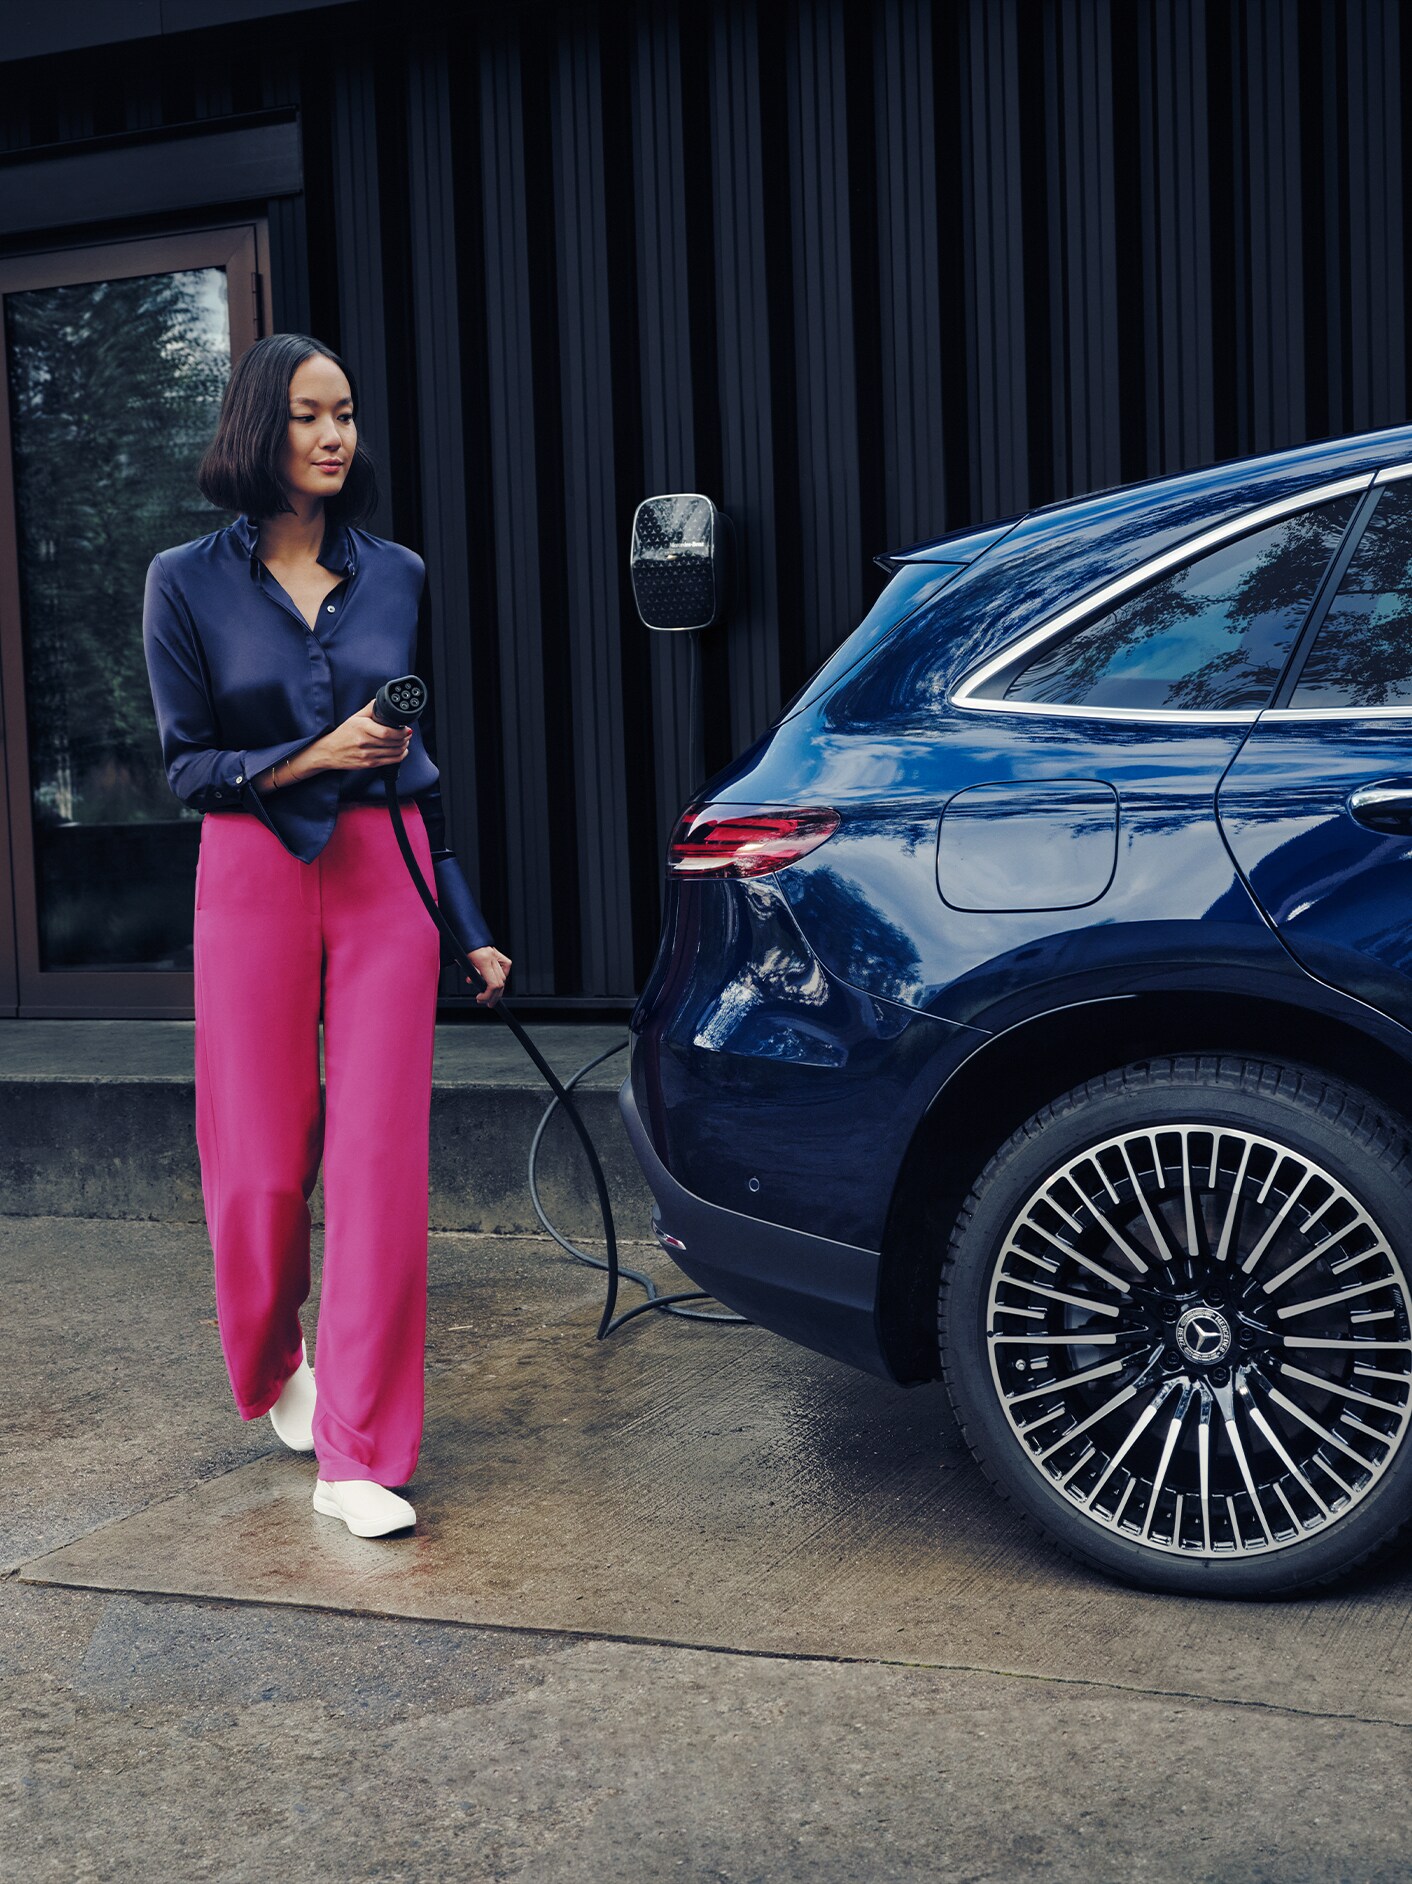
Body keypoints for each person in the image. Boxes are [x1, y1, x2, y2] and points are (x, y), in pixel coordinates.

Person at [141, 332, 512, 1539]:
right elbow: (187, 765)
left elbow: (417, 765)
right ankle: (271, 1368)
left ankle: (360, 1450)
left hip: (384, 876)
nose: (334, 436)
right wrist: (308, 755)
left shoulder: (394, 572)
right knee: (254, 1167)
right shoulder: (181, 583)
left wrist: (468, 926)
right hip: (249, 873)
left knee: (377, 1169)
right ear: (260, 429)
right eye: (308, 415)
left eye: (344, 413)